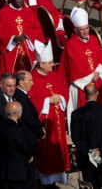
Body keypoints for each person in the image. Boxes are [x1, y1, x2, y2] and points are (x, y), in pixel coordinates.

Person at [29, 42, 72, 185]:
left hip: (58, 120)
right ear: (41, 64)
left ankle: (59, 176)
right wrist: (47, 100)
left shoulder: (55, 75)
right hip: (44, 123)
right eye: (50, 62)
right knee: (47, 152)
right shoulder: (32, 79)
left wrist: (61, 98)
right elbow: (31, 102)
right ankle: (46, 180)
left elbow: (65, 91)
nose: (53, 65)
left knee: (58, 147)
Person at [61, 7, 102, 115]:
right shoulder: (71, 44)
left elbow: (101, 59)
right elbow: (73, 68)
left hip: (96, 79)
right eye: (81, 29)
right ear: (75, 30)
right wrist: (90, 77)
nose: (85, 32)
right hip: (81, 85)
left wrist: (97, 72)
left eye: (87, 28)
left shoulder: (93, 39)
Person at [71, 82, 102, 189]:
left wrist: (91, 152)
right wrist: (99, 151)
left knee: (90, 185)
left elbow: (76, 138)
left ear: (84, 94)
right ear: (97, 94)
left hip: (86, 157)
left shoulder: (76, 114)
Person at [0, 100, 40, 189]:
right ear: (19, 114)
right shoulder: (17, 130)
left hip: (3, 168)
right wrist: (29, 156)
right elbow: (24, 146)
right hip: (17, 170)